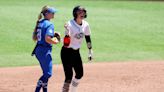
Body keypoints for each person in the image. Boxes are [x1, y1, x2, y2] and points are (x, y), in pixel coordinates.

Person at [60, 5, 93, 92]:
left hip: (76, 52)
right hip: (66, 52)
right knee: (69, 76)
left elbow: (88, 38)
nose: (82, 14)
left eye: (83, 12)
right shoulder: (70, 24)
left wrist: (90, 51)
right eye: (80, 12)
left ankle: (73, 91)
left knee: (79, 74)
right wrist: (67, 33)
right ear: (75, 13)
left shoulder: (86, 24)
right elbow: (66, 44)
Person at [32, 5, 60, 92]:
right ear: (47, 14)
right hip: (44, 51)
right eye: (52, 12)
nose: (54, 14)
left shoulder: (40, 22)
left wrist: (53, 33)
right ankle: (36, 90)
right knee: (48, 74)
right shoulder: (50, 24)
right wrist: (56, 41)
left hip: (38, 50)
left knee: (45, 73)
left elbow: (37, 35)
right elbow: (47, 39)